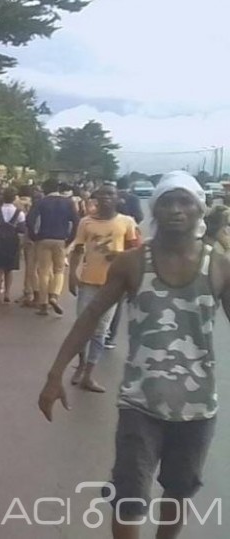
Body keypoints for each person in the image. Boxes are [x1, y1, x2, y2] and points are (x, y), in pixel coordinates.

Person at [39, 171, 229, 539]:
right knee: (129, 497)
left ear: (199, 209)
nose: (176, 210)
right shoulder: (132, 263)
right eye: (167, 202)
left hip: (198, 408)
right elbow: (91, 317)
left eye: (185, 201)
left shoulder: (219, 265)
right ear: (154, 209)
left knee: (179, 492)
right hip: (140, 404)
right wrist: (54, 374)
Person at [64, 184, 139, 394]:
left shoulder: (126, 222)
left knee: (101, 331)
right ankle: (80, 365)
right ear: (96, 199)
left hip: (113, 285)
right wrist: (72, 275)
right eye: (102, 194)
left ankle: (89, 373)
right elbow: (78, 249)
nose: (106, 198)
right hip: (88, 282)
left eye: (110, 194)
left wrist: (120, 257)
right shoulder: (86, 222)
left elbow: (135, 251)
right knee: (82, 326)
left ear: (117, 199)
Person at [28, 179, 79, 316]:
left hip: (43, 238)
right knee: (59, 270)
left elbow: (30, 220)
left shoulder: (41, 202)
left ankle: (43, 304)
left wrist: (34, 236)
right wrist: (70, 239)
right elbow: (76, 221)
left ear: (45, 189)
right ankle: (54, 296)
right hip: (61, 239)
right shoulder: (68, 202)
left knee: (44, 271)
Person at [0, 187, 25, 304]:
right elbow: (22, 229)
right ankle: (7, 293)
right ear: (14, 198)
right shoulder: (19, 213)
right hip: (12, 242)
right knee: (9, 269)